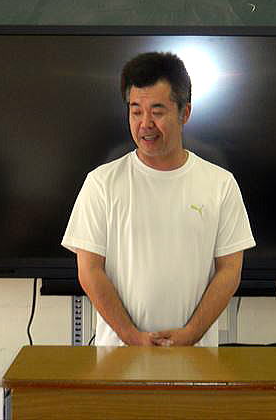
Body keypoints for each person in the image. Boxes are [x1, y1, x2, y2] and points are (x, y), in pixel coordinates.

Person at [61, 52, 255, 347]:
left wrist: (191, 334)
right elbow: (89, 270)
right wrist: (132, 337)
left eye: (157, 111)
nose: (145, 123)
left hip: (195, 356)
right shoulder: (101, 183)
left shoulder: (220, 184)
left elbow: (229, 270)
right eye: (136, 111)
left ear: (184, 113)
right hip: (119, 357)